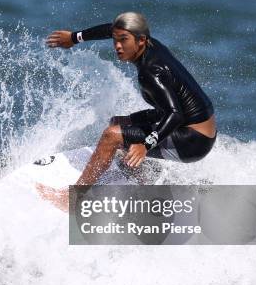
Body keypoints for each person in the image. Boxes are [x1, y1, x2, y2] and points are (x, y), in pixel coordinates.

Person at [36, 12, 217, 211]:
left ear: (140, 41)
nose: (118, 46)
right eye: (116, 40)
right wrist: (74, 37)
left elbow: (175, 115)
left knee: (111, 136)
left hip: (193, 140)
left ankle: (73, 199)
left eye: (124, 41)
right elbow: (112, 29)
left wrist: (146, 145)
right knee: (119, 124)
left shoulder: (150, 72)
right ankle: (146, 180)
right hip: (193, 127)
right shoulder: (149, 44)